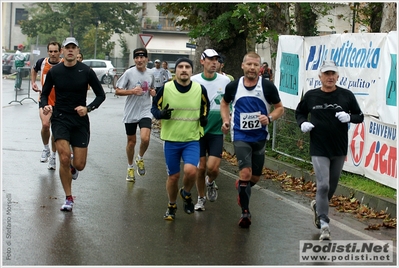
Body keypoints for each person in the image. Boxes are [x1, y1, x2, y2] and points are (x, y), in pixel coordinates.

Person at [295, 60, 364, 241]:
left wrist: (349, 116)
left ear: (338, 77)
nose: (330, 77)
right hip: (319, 147)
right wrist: (302, 123)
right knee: (323, 184)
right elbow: (299, 112)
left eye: (333, 74)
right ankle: (324, 223)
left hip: (339, 148)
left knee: (331, 187)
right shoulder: (311, 96)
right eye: (326, 74)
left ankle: (318, 206)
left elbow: (360, 116)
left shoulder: (346, 95)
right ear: (320, 77)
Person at [41, 37, 106, 211]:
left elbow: (101, 95)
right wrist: (45, 106)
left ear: (78, 51)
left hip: (80, 120)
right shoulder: (55, 72)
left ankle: (72, 166)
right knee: (63, 157)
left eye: (73, 48)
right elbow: (44, 94)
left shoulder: (86, 71)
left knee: (80, 165)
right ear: (62, 51)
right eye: (67, 48)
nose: (70, 50)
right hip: (60, 118)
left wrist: (88, 108)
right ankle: (68, 198)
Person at [220, 52, 284, 228]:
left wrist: (269, 118)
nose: (252, 68)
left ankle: (242, 187)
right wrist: (226, 121)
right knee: (245, 173)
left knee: (254, 177)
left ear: (260, 68)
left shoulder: (268, 87)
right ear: (243, 66)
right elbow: (224, 103)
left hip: (260, 137)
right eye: (249, 64)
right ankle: (245, 212)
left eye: (255, 65)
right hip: (240, 135)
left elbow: (280, 108)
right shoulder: (234, 86)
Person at [151, 57, 210, 220]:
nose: (184, 69)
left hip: (192, 139)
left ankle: (185, 192)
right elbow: (154, 107)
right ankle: (171, 205)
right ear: (174, 71)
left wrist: (204, 118)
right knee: (173, 176)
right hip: (171, 140)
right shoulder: (166, 88)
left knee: (191, 171)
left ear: (192, 71)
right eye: (180, 67)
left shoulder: (200, 89)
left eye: (187, 67)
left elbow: (205, 106)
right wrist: (161, 114)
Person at [191, 49, 231, 211]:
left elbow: (229, 103)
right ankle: (201, 198)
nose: (214, 62)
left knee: (213, 168)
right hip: (197, 131)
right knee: (200, 167)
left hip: (216, 131)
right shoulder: (193, 81)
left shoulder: (225, 81)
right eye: (210, 59)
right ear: (202, 61)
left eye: (216, 59)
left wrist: (227, 121)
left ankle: (210, 181)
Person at [115, 47, 157, 182]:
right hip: (131, 112)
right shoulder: (129, 73)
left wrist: (153, 93)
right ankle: (130, 167)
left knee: (145, 138)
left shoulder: (151, 74)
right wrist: (132, 91)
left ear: (146, 59)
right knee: (131, 142)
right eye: (137, 58)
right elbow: (118, 91)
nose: (139, 60)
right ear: (134, 59)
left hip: (145, 110)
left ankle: (140, 158)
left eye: (142, 57)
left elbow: (152, 88)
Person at [31, 41, 63, 169]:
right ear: (48, 52)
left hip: (60, 102)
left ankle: (53, 157)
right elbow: (34, 69)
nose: (53, 54)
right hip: (45, 100)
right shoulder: (42, 62)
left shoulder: (64, 64)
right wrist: (33, 83)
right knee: (45, 125)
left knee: (55, 131)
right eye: (51, 51)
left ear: (60, 51)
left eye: (56, 51)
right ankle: (46, 149)